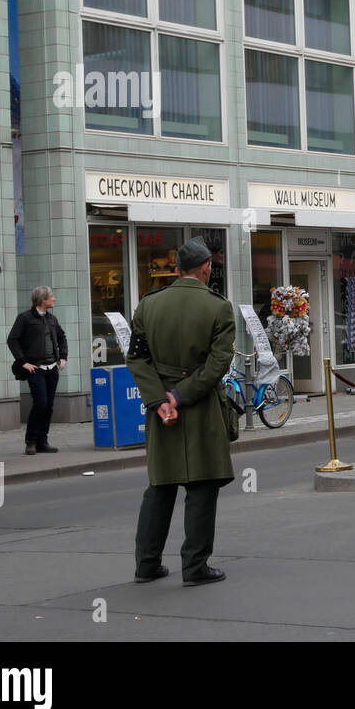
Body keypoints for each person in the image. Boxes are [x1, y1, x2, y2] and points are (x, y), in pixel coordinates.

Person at [127, 237, 236, 586]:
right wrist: (180, 395)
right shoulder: (219, 307)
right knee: (202, 487)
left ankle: (146, 564)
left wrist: (159, 400)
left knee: (160, 485)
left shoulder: (148, 305)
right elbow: (219, 362)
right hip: (201, 406)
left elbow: (137, 358)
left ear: (176, 269)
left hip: (161, 409)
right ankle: (195, 566)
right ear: (206, 268)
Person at [6, 286, 68, 455]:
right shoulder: (25, 318)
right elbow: (12, 340)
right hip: (36, 369)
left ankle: (43, 441)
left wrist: (63, 357)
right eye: (51, 297)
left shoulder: (52, 319)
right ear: (43, 300)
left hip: (52, 368)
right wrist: (23, 362)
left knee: (48, 406)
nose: (54, 299)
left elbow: (62, 338)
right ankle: (31, 441)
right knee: (40, 403)